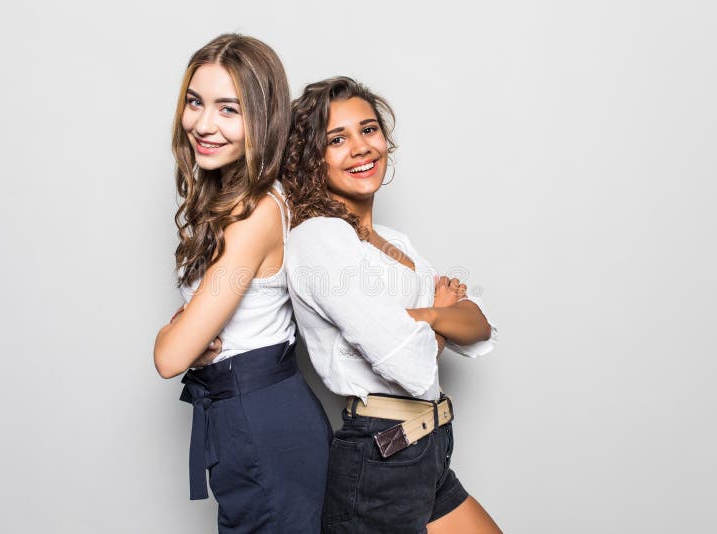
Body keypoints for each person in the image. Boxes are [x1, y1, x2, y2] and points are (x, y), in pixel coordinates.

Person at [282, 76, 502, 533]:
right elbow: (410, 363)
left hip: (428, 450)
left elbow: (480, 326)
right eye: (336, 139)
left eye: (369, 130)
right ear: (310, 158)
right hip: (380, 459)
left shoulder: (395, 242)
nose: (361, 147)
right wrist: (440, 315)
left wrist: (424, 317)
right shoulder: (318, 239)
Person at [153, 34, 331, 533]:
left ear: (262, 118)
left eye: (227, 109)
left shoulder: (254, 215)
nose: (203, 124)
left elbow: (171, 357)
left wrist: (170, 333)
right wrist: (188, 328)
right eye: (195, 101)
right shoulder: (231, 201)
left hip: (263, 424)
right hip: (244, 418)